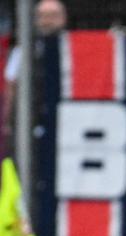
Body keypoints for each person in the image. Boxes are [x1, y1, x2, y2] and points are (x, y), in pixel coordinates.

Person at [2, 0, 67, 152]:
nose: (47, 21)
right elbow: (11, 84)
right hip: (32, 118)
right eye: (42, 16)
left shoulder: (72, 47)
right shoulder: (24, 50)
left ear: (63, 18)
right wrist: (8, 121)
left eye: (53, 16)